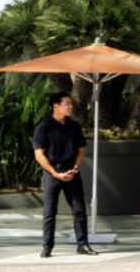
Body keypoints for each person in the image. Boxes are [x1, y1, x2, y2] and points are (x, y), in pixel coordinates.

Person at [35, 89, 96, 256]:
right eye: (67, 104)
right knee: (50, 211)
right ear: (56, 106)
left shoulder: (74, 126)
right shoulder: (44, 127)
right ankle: (47, 246)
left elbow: (81, 150)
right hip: (52, 171)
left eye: (71, 104)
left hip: (72, 170)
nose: (70, 107)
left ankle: (82, 245)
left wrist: (75, 168)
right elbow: (39, 154)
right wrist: (54, 173)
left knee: (79, 209)